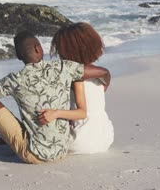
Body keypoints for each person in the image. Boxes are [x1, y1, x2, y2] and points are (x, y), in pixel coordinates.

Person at [0, 30, 111, 163]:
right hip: (62, 150)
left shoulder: (14, 80)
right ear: (39, 49)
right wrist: (106, 79)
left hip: (34, 155)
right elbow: (101, 71)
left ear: (18, 56)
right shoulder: (63, 67)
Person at [48, 22, 114, 154]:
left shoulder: (70, 75)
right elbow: (104, 75)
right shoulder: (98, 74)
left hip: (80, 141)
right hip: (105, 137)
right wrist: (105, 72)